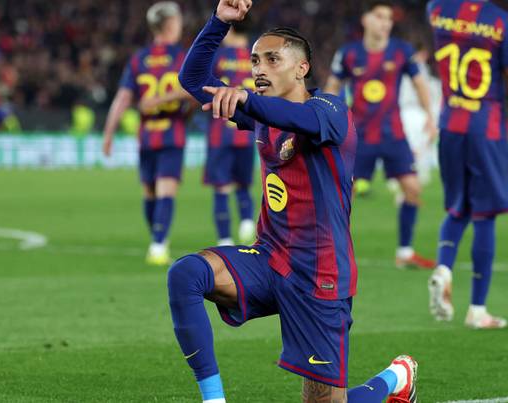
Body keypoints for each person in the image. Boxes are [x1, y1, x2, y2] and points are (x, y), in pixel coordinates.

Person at [170, 1, 417, 401]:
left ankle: (395, 378)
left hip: (320, 274)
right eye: (255, 60)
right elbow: (193, 78)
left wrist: (245, 100)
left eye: (272, 59)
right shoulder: (260, 114)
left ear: (302, 68)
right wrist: (219, 22)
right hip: (269, 260)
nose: (259, 69)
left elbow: (299, 119)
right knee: (186, 274)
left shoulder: (331, 110)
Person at [426, 0, 508, 329]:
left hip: (450, 125)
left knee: (457, 208)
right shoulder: (502, 22)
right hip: (486, 129)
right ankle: (477, 310)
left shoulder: (437, 11)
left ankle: (444, 267)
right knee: (485, 214)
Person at [325, 0, 438, 270]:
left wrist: (430, 116)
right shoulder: (348, 53)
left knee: (412, 189)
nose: (385, 23)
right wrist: (327, 118)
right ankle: (331, 252)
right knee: (343, 195)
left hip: (393, 134)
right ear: (365, 19)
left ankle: (405, 252)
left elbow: (420, 83)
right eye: (379, 16)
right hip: (358, 136)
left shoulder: (402, 51)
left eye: (388, 18)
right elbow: (332, 86)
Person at [102, 1, 192, 265]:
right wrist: (172, 100)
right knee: (163, 191)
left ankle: (157, 241)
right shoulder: (182, 57)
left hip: (146, 135)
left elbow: (122, 98)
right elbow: (195, 90)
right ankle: (159, 243)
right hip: (172, 133)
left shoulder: (139, 58)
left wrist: (108, 133)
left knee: (152, 191)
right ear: (170, 24)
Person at [205, 23, 257, 246]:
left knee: (222, 187)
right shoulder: (256, 56)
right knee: (244, 184)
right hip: (248, 132)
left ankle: (225, 239)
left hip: (221, 132)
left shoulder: (219, 56)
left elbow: (203, 86)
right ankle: (247, 221)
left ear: (230, 30)